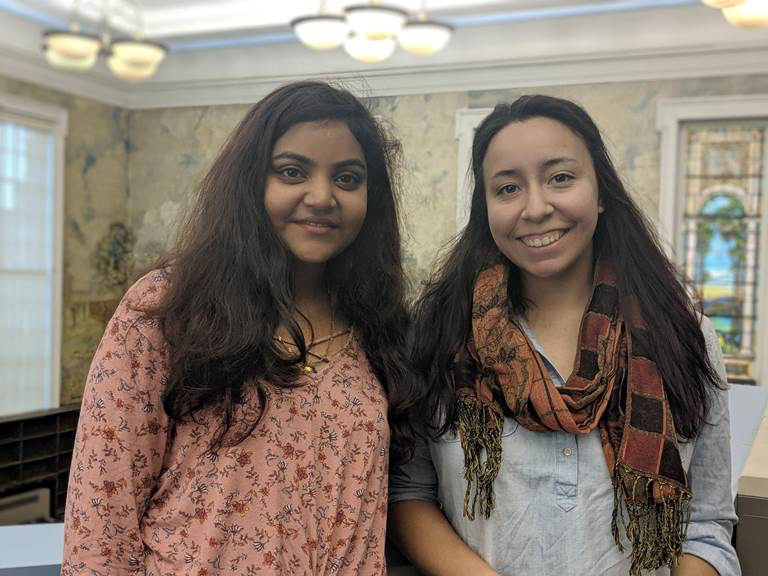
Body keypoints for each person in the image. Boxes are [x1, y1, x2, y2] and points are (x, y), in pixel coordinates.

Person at [62, 81, 417, 575]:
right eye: (292, 171)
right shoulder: (168, 307)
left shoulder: (382, 328)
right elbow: (100, 519)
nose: (322, 196)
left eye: (348, 178)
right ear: (250, 182)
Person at [388, 95, 740, 576]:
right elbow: (410, 494)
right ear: (485, 208)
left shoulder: (682, 333)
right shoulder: (438, 331)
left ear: (599, 192)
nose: (536, 208)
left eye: (560, 177)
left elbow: (706, 526)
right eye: (508, 188)